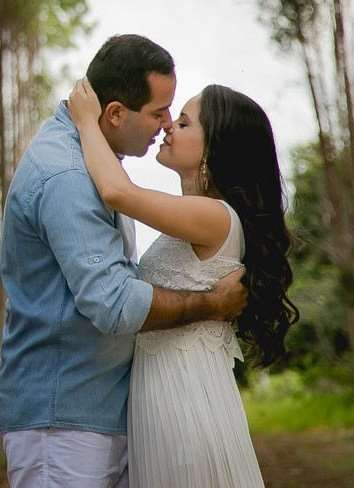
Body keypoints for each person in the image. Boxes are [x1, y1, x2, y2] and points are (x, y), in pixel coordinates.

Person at [0, 35, 248, 488]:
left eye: (178, 117)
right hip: (64, 421)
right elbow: (113, 304)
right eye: (158, 112)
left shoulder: (93, 162)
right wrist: (211, 303)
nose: (166, 124)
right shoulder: (68, 175)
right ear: (114, 113)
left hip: (99, 414)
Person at [68, 77, 299, 488]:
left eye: (186, 123)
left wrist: (87, 122)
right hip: (167, 391)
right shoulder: (198, 216)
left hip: (186, 398)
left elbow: (116, 192)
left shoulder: (215, 216)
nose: (170, 125)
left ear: (213, 149)